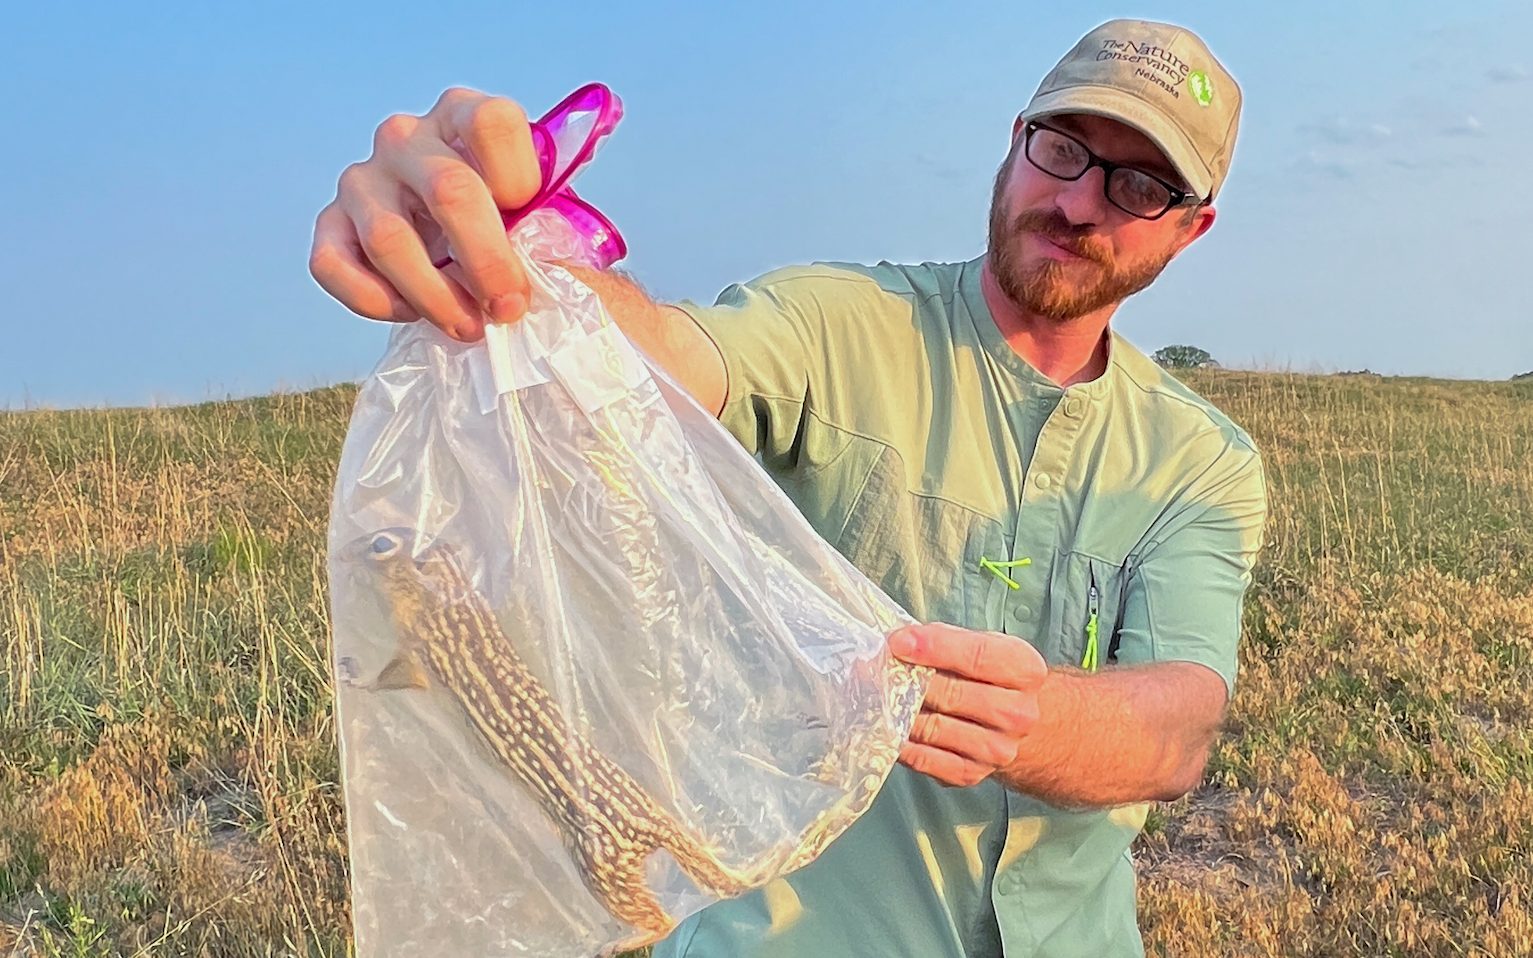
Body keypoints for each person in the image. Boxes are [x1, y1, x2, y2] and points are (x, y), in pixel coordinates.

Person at [309, 17, 1268, 958]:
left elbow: (1177, 720)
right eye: (1062, 148)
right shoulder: (836, 323)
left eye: (1138, 185)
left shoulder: (1198, 459)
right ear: (1015, 142)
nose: (1078, 202)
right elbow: (673, 361)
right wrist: (516, 259)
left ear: (1192, 228)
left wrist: (1028, 721)